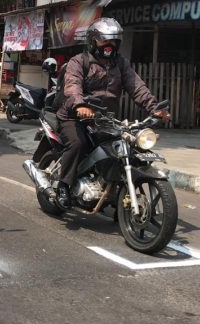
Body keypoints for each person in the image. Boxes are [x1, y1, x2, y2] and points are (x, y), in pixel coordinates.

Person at [54, 17, 169, 209]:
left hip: (106, 119)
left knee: (124, 149)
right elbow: (73, 85)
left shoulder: (120, 64)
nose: (109, 45)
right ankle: (63, 186)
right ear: (93, 41)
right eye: (104, 40)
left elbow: (137, 87)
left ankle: (115, 190)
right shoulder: (79, 61)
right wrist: (80, 106)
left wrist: (155, 108)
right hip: (74, 115)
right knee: (77, 143)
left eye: (113, 41)